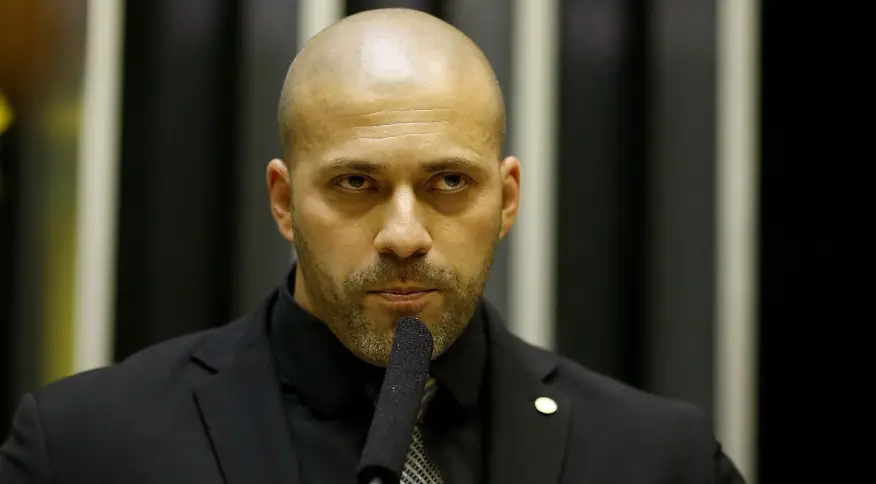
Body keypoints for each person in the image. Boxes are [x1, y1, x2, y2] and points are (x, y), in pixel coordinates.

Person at [0, 8, 747, 484]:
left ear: (507, 199)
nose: (404, 235)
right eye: (356, 183)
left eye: (449, 182)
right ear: (284, 202)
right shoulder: (86, 449)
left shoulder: (657, 459)